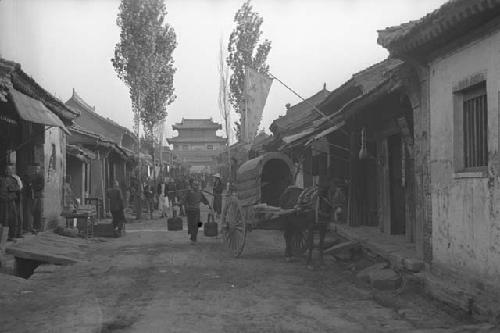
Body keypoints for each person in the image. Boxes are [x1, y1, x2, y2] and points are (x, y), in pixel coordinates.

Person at [182, 179, 210, 244]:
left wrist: (178, 203)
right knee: (195, 224)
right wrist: (208, 204)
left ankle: (193, 238)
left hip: (192, 211)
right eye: (195, 185)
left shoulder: (190, 192)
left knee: (194, 224)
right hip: (193, 211)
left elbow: (183, 201)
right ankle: (193, 238)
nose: (196, 186)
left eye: (196, 185)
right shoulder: (195, 192)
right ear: (192, 185)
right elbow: (205, 201)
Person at [0, 163, 21, 242]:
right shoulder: (1, 179)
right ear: (4, 170)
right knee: (3, 219)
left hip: (12, 202)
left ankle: (12, 235)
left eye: (10, 169)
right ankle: (3, 237)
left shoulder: (14, 179)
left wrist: (11, 188)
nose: (8, 171)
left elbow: (18, 188)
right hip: (3, 202)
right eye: (7, 169)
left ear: (12, 170)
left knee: (13, 218)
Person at [26, 163, 44, 233]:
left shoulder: (40, 177)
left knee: (38, 211)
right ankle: (30, 227)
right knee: (31, 212)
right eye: (35, 168)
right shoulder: (29, 176)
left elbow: (41, 186)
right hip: (31, 197)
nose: (36, 170)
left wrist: (33, 186)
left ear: (39, 169)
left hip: (38, 196)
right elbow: (27, 185)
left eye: (38, 169)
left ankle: (37, 227)